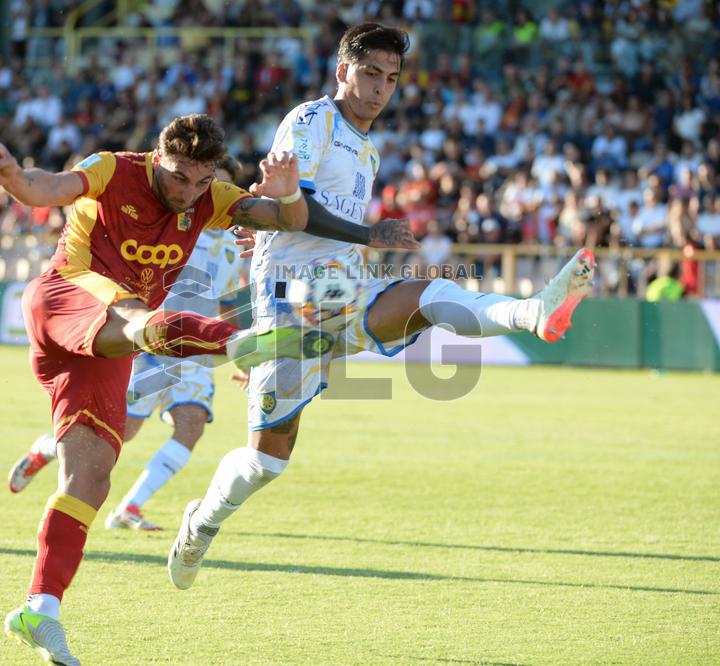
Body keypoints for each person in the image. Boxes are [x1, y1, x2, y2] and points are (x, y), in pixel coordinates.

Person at [167, 24, 597, 591]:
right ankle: (201, 523)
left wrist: (315, 229)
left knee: (429, 294)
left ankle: (532, 313)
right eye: (370, 73)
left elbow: (285, 208)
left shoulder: (366, 148)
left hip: (341, 292)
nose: (380, 89)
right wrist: (363, 233)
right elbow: (297, 210)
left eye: (391, 79)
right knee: (266, 462)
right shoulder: (311, 121)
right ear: (343, 70)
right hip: (293, 302)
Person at [0, 113, 417, 665]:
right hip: (67, 300)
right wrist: (13, 178)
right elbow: (49, 186)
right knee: (144, 323)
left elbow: (290, 220)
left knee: (90, 478)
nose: (188, 193)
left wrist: (287, 197)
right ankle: (248, 344)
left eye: (201, 181)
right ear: (158, 158)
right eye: (178, 177)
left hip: (108, 346)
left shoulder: (213, 198)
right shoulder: (114, 170)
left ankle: (38, 610)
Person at [6, 157, 249, 532]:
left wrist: (240, 356)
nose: (206, 195)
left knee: (192, 424)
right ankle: (45, 447)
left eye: (217, 187)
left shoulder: (234, 247)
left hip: (197, 351)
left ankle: (131, 507)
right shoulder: (176, 223)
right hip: (153, 342)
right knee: (123, 430)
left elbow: (227, 301)